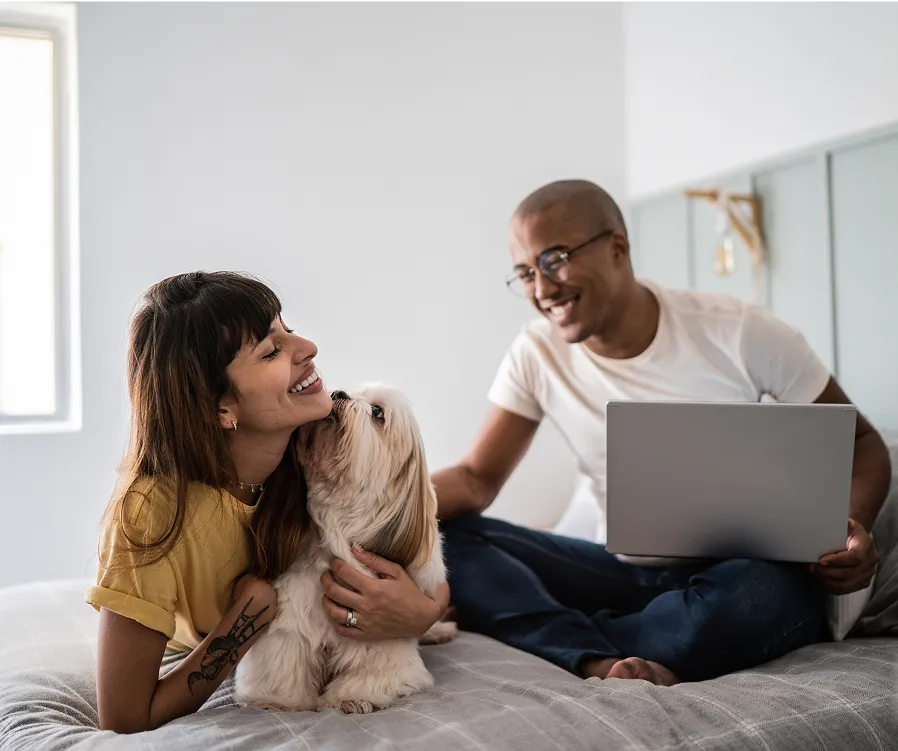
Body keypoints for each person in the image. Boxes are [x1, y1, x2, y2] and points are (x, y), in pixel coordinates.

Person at [433, 179, 891, 686]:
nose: (541, 290)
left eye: (555, 259)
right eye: (524, 272)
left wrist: (851, 525)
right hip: (620, 572)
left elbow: (864, 443)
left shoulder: (737, 330)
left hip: (736, 573)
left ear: (618, 249)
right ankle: (601, 651)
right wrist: (382, 509)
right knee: (448, 536)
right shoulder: (535, 353)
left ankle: (559, 636)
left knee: (750, 597)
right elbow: (476, 478)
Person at [87, 271, 447, 733]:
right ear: (221, 408)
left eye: (288, 329)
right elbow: (123, 718)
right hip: (202, 638)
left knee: (478, 534)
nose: (309, 347)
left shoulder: (315, 455)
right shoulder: (153, 515)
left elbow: (421, 538)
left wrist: (420, 614)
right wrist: (242, 624)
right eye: (271, 350)